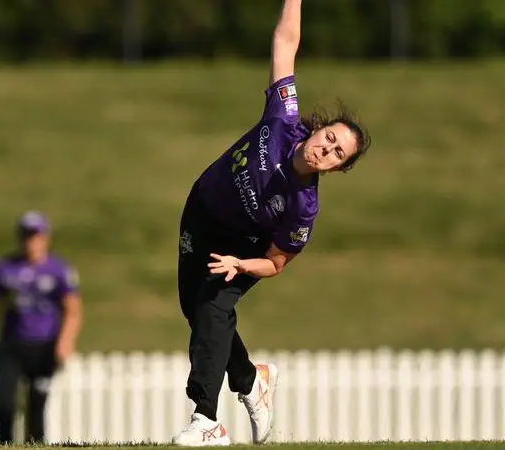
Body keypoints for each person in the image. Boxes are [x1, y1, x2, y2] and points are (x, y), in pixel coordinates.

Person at [172, 0, 371, 446]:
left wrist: (241, 265)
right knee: (195, 311)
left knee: (213, 308)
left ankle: (207, 419)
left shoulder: (303, 208)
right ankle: (252, 379)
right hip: (201, 209)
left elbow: (276, 263)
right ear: (318, 130)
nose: (327, 149)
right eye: (330, 138)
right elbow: (285, 41)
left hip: (240, 246)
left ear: (337, 168)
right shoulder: (283, 116)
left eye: (338, 154)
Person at [0, 210, 83, 445]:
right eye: (26, 235)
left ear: (45, 238)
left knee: (37, 404)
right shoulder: (5, 269)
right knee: (5, 405)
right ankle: (3, 444)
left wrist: (65, 342)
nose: (30, 242)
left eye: (35, 236)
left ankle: (36, 444)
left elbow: (72, 310)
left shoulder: (58, 271)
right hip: (12, 346)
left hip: (44, 346)